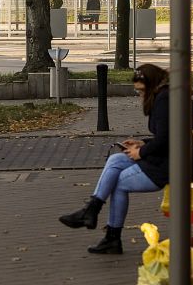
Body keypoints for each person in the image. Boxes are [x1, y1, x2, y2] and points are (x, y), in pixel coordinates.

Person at [58, 62, 169, 255]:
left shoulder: (164, 100)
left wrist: (141, 152)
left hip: (167, 165)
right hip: (162, 157)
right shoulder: (164, 97)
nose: (140, 95)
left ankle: (108, 232)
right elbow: (166, 135)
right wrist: (142, 143)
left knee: (117, 183)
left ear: (151, 85)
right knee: (116, 160)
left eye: (141, 90)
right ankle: (92, 211)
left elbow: (168, 138)